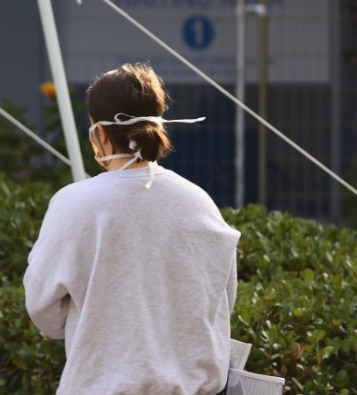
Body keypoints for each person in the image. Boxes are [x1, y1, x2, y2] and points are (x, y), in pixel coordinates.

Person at [23, 62, 240, 395]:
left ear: (100, 133)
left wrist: (92, 312)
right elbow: (222, 301)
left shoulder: (74, 204)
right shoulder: (200, 203)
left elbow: (42, 307)